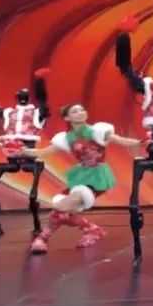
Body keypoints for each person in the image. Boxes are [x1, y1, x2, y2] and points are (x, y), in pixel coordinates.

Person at [22, 104, 142, 253]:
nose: (80, 112)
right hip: (80, 176)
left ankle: (46, 237)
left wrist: (141, 142)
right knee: (60, 212)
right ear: (67, 118)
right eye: (75, 111)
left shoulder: (97, 131)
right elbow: (43, 152)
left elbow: (121, 140)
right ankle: (86, 230)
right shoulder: (66, 138)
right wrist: (23, 151)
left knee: (61, 206)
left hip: (97, 177)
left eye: (82, 110)